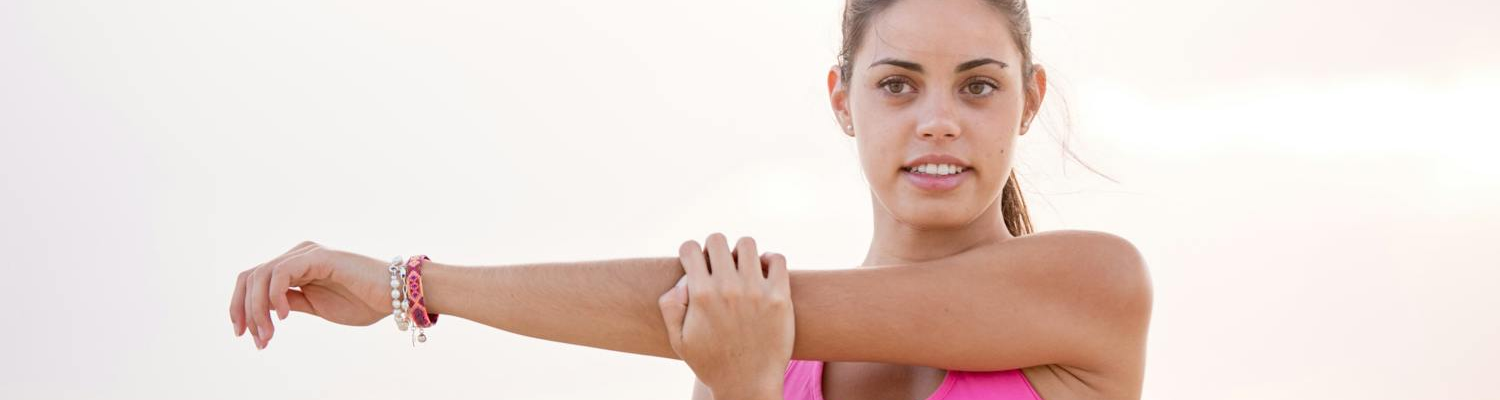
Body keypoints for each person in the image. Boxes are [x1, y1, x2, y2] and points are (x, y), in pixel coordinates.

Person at [227, 0, 1153, 398]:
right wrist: (745, 386)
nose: (939, 121)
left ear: (1030, 100)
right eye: (900, 84)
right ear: (843, 99)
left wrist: (407, 282)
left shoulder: (1092, 287)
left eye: (980, 87)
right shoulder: (747, 341)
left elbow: (724, 305)